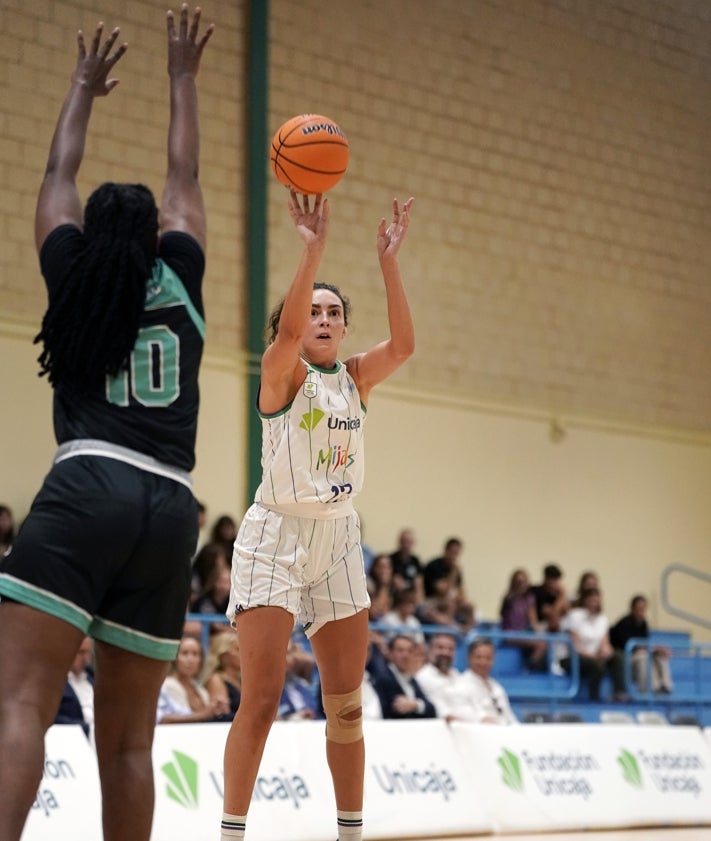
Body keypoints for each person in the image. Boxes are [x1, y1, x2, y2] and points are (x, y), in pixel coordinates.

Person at [0, 9, 214, 841]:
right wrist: (182, 75)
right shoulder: (184, 269)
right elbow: (184, 173)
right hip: (171, 509)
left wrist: (83, 88)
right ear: (159, 235)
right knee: (129, 744)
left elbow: (57, 171)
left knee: (19, 704)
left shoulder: (70, 274)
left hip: (90, 479)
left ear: (87, 236)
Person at [220, 189, 415, 841]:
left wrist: (387, 260)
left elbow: (406, 345)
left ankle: (350, 833)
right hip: (274, 534)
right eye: (315, 311)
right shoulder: (283, 374)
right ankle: (231, 832)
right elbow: (282, 333)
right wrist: (314, 249)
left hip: (337, 536)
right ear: (300, 322)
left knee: (346, 704)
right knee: (263, 697)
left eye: (335, 311)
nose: (324, 318)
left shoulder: (355, 378)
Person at [560, 587, 629, 702]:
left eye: (596, 601)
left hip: (595, 656)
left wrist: (606, 652)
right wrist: (594, 657)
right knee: (597, 666)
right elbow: (576, 647)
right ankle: (594, 699)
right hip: (574, 657)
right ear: (585, 600)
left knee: (617, 657)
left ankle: (620, 692)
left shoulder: (602, 619)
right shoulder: (575, 616)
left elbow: (604, 643)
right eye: (591, 600)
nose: (594, 603)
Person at [444, 637, 519, 724]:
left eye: (488, 658)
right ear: (469, 658)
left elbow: (509, 716)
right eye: (478, 657)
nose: (483, 662)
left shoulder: (496, 687)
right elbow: (466, 719)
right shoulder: (459, 686)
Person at [609, 595, 673, 694]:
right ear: (632, 609)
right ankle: (650, 689)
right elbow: (629, 647)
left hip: (638, 654)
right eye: (639, 608)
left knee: (660, 656)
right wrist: (648, 649)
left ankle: (666, 687)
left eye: (643, 609)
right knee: (643, 657)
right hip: (624, 658)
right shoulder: (624, 623)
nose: (641, 611)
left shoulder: (644, 625)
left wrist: (656, 650)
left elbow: (644, 645)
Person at [157, 635, 224, 723]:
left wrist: (216, 708)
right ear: (175, 658)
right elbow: (161, 718)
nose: (190, 659)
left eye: (195, 654)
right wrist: (203, 715)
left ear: (201, 660)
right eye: (185, 653)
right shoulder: (166, 686)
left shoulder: (199, 688)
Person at [373, 635, 436, 719]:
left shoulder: (412, 679)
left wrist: (415, 705)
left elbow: (431, 709)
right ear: (390, 654)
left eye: (410, 651)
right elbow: (396, 711)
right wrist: (418, 706)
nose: (405, 655)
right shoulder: (383, 678)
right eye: (400, 650)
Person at [421, 537, 476, 632]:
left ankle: (469, 633)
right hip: (431, 600)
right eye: (453, 552)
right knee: (450, 604)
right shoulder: (434, 566)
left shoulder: (456, 569)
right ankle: (447, 631)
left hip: (449, 599)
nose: (454, 556)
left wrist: (461, 598)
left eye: (457, 553)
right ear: (446, 550)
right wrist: (453, 573)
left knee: (469, 607)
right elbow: (443, 590)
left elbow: (461, 590)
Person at [499, 568, 547, 670]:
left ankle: (532, 666)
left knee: (543, 643)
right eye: (518, 582)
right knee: (539, 645)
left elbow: (533, 619)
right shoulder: (509, 598)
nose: (521, 585)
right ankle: (527, 669)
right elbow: (503, 616)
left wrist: (541, 634)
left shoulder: (529, 599)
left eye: (524, 582)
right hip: (510, 634)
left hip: (524, 633)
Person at [414, 632, 461, 718]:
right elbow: (439, 709)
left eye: (450, 649)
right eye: (440, 648)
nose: (445, 653)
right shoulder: (424, 676)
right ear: (430, 650)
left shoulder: (456, 674)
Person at [54, 636, 95, 736]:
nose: (85, 659)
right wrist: (89, 729)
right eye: (81, 653)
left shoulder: (93, 677)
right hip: (73, 738)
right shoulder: (56, 682)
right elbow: (54, 718)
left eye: (87, 653)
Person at [202, 630, 243, 721]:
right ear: (224, 655)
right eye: (238, 650)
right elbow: (222, 713)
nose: (244, 655)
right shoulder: (216, 680)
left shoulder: (241, 680)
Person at [389, 527, 424, 603]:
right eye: (404, 541)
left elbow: (419, 584)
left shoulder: (416, 561)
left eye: (409, 542)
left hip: (412, 598)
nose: (406, 545)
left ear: (413, 543)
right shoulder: (391, 559)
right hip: (395, 597)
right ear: (399, 542)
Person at [530, 562, 568, 631]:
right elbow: (552, 614)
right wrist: (562, 595)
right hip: (537, 629)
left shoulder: (555, 595)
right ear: (546, 578)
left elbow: (567, 613)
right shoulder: (536, 592)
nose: (555, 583)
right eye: (553, 579)